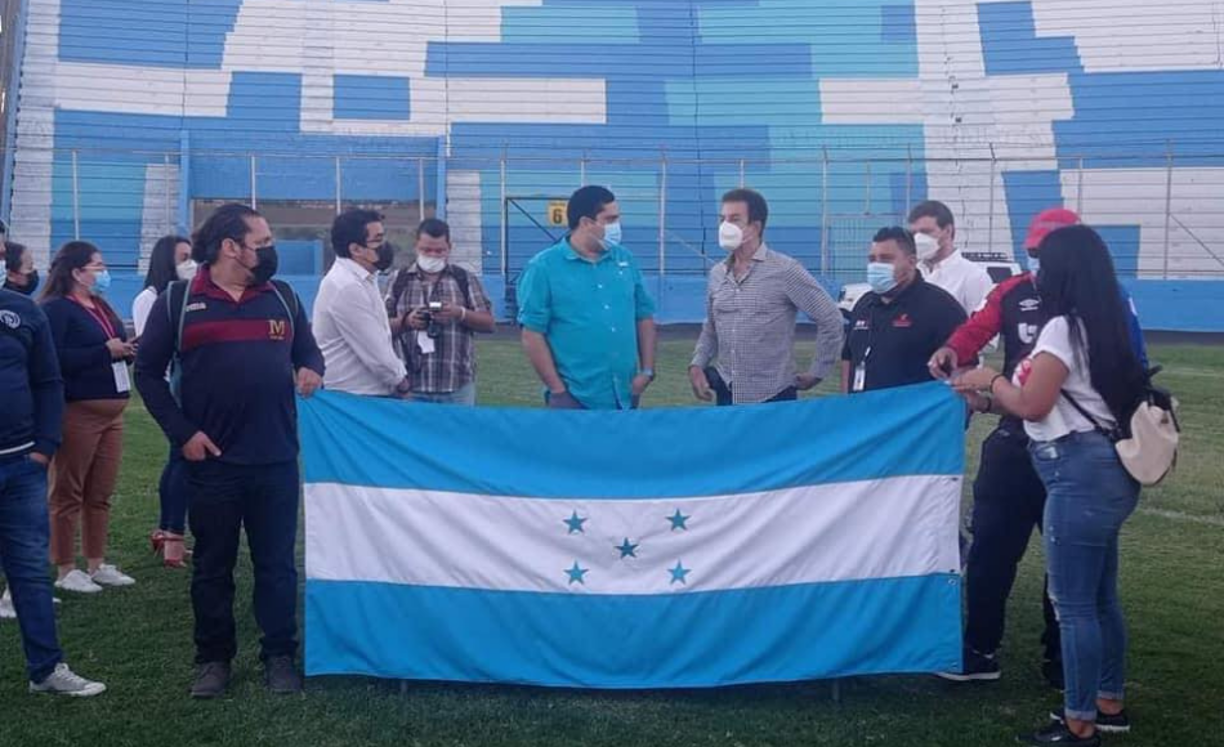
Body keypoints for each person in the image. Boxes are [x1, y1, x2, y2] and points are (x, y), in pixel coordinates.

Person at [929, 207, 1149, 689]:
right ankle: (983, 647)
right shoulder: (1016, 292)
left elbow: (1040, 398)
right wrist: (955, 351)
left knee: (1075, 583)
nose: (1036, 263)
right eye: (1031, 252)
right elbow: (978, 328)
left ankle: (1070, 671)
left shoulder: (1096, 309)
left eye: (1043, 254)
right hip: (1025, 441)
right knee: (995, 551)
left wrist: (992, 381)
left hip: (1067, 448)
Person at [135, 203, 324, 699]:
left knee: (277, 565)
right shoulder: (179, 301)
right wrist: (183, 433)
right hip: (212, 464)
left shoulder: (283, 297)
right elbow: (147, 374)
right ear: (230, 247)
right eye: (262, 243)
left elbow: (308, 350)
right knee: (213, 567)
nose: (271, 250)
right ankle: (213, 659)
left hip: (276, 459)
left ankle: (279, 655)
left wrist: (311, 368)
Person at [0, 286, 106, 696]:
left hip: (21, 464)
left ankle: (45, 669)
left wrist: (45, 446)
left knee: (30, 571)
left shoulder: (23, 311)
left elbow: (48, 381)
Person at [39, 242, 135, 594]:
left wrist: (126, 351)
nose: (103, 271)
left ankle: (96, 562)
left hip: (112, 413)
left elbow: (113, 345)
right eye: (98, 265)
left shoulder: (101, 306)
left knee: (100, 492)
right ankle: (65, 567)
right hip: (78, 411)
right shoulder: (56, 309)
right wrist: (102, 352)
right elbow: (52, 359)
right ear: (77, 272)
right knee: (68, 492)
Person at [689, 189, 843, 405]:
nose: (725, 226)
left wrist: (817, 372)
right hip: (727, 393)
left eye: (734, 219)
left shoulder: (785, 270)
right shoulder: (717, 274)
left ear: (755, 226)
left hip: (773, 396)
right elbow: (711, 328)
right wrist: (697, 365)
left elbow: (830, 317)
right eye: (722, 219)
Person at [517, 185, 657, 410]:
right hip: (574, 397)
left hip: (625, 394)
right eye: (610, 219)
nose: (617, 226)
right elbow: (532, 333)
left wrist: (647, 371)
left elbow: (644, 316)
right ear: (585, 223)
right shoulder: (543, 268)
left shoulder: (625, 259)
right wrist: (558, 390)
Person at [841, 227, 967, 394]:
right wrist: (847, 401)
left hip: (914, 409)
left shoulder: (942, 307)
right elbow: (848, 357)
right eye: (872, 259)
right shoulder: (864, 304)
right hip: (864, 408)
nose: (876, 266)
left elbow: (964, 367)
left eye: (886, 259)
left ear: (911, 262)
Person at [133, 235, 196, 569]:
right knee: (180, 459)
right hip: (172, 386)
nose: (191, 263)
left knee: (180, 460)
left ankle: (170, 530)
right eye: (183, 257)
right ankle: (171, 533)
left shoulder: (186, 296)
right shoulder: (151, 298)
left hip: (186, 384)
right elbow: (152, 349)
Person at [384, 218, 496, 405]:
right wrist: (407, 321)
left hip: (456, 385)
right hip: (410, 385)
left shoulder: (464, 279)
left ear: (449, 248)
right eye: (426, 250)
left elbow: (489, 323)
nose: (433, 255)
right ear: (416, 246)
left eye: (439, 251)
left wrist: (460, 314)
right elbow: (379, 328)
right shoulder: (398, 280)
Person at [313, 209, 413, 398]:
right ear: (356, 249)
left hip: (362, 393)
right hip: (355, 396)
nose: (385, 245)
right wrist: (403, 385)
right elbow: (376, 353)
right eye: (378, 240)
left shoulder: (363, 278)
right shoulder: (346, 286)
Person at [908, 200, 993, 315]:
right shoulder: (909, 273)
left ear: (948, 231)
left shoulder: (974, 277)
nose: (918, 239)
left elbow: (981, 324)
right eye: (913, 234)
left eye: (926, 232)